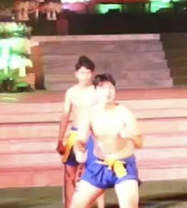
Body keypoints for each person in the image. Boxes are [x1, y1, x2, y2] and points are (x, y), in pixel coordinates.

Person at [70, 73, 143, 208]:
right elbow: (80, 140)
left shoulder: (124, 113)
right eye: (103, 88)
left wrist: (129, 135)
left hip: (123, 165)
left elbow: (139, 142)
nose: (108, 92)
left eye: (111, 88)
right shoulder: (90, 113)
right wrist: (78, 150)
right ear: (96, 91)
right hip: (99, 166)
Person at [57, 56, 106, 208]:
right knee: (69, 173)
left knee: (96, 172)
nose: (84, 76)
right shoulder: (71, 92)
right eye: (81, 73)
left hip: (93, 135)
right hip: (75, 134)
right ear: (76, 74)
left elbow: (104, 113)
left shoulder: (98, 91)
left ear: (92, 73)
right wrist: (60, 139)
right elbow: (65, 115)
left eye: (87, 73)